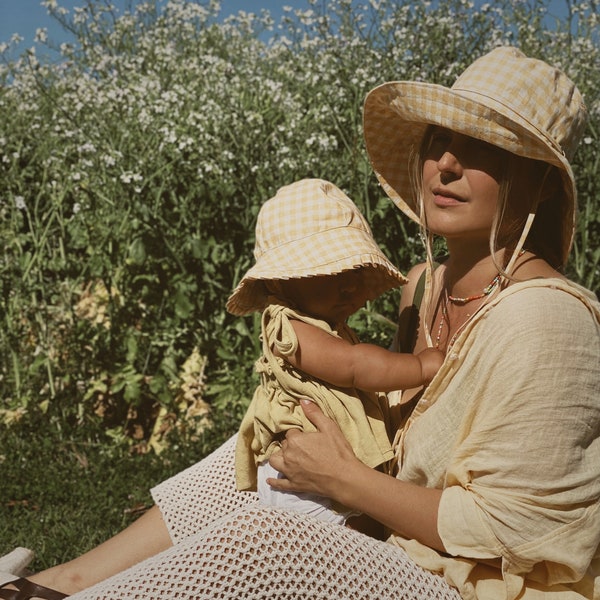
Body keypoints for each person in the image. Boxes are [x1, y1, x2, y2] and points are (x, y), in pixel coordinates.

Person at [1, 46, 598, 600]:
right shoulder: (424, 285)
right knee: (255, 455)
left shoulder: (543, 320)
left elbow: (515, 528)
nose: (445, 163)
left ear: (541, 183)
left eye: (483, 147)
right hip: (392, 540)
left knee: (268, 543)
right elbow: (385, 428)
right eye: (440, 139)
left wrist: (346, 482)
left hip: (471, 582)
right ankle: (57, 584)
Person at [226, 178, 443, 530]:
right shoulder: (289, 325)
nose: (351, 285)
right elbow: (354, 367)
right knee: (331, 542)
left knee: (358, 531)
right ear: (280, 281)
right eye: (331, 273)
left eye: (356, 271)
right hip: (305, 479)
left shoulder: (320, 321)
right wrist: (419, 367)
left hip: (323, 468)